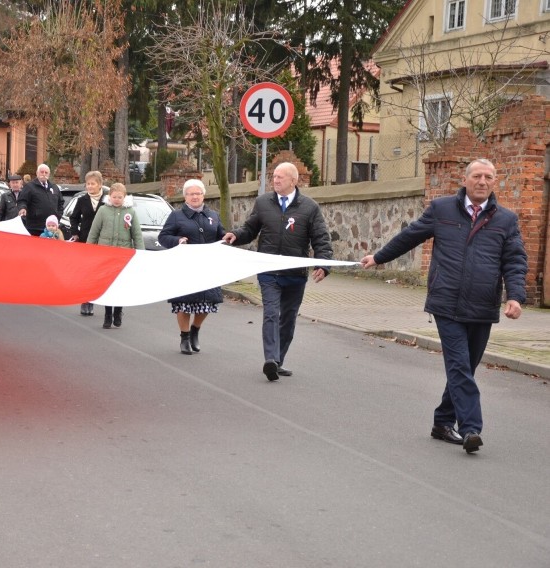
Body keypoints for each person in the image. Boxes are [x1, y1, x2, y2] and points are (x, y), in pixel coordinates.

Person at [360, 158, 527, 454]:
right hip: (446, 302)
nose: (482, 181)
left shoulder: (506, 219)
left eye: (489, 177)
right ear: (465, 180)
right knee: (460, 366)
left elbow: (514, 261)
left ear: (495, 181)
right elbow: (410, 236)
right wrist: (379, 258)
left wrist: (515, 297)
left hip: (483, 306)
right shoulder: (442, 209)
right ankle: (471, 428)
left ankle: (442, 421)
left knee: (467, 368)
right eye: (477, 176)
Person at [222, 162, 333, 381]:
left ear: (294, 181)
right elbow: (250, 229)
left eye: (281, 177)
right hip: (268, 271)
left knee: (288, 319)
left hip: (295, 273)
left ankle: (278, 360)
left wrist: (324, 264)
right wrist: (236, 236)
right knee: (271, 313)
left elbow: (321, 238)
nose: (276, 180)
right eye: (274, 176)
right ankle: (270, 359)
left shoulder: (309, 207)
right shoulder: (263, 203)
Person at [158, 179, 228, 354]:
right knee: (184, 304)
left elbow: (221, 234)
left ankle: (195, 329)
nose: (195, 196)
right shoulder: (176, 216)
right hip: (184, 268)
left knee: (208, 303)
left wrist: (228, 237)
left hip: (208, 268)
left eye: (198, 193)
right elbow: (163, 237)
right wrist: (177, 240)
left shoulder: (213, 215)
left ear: (203, 195)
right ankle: (184, 336)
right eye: (191, 194)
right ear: (185, 197)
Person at [87, 183, 145, 329]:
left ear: (124, 197)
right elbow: (94, 232)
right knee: (108, 285)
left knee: (120, 285)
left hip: (123, 254)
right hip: (105, 253)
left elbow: (137, 234)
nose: (117, 200)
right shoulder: (103, 210)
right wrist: (88, 250)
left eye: (120, 197)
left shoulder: (130, 212)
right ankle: (107, 314)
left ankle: (118, 311)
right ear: (109, 197)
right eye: (114, 197)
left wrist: (141, 253)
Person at [68, 170, 105, 316]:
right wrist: (75, 232)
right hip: (85, 240)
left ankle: (92, 300)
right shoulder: (82, 200)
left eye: (92, 184)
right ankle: (85, 301)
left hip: (102, 241)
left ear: (100, 184)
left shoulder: (107, 199)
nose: (89, 186)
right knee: (87, 272)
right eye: (88, 184)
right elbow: (74, 218)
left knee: (97, 273)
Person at [17, 163, 64, 236]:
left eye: (46, 172)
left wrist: (58, 216)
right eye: (42, 172)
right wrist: (22, 208)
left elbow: (61, 203)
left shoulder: (54, 187)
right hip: (35, 228)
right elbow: (22, 200)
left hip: (52, 228)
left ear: (49, 174)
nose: (44, 174)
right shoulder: (30, 187)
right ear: (37, 173)